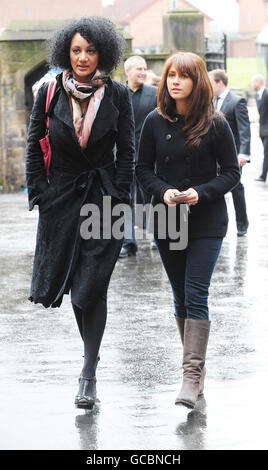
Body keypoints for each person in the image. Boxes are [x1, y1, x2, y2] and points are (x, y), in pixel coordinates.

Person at [26, 16, 135, 409]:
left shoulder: (118, 95)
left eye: (90, 50)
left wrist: (120, 194)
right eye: (76, 50)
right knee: (75, 287)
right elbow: (34, 138)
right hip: (61, 200)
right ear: (65, 54)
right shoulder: (49, 91)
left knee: (94, 282)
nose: (83, 57)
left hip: (103, 199)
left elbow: (128, 149)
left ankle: (88, 371)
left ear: (102, 52)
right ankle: (91, 357)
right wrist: (38, 191)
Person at [136, 52, 240, 409]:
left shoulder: (216, 123)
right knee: (179, 295)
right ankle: (197, 372)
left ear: (198, 81)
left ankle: (190, 377)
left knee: (196, 293)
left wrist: (202, 192)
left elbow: (231, 172)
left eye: (184, 76)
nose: (175, 81)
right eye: (170, 76)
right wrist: (161, 191)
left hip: (207, 221)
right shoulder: (153, 120)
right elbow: (142, 169)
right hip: (167, 219)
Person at [119, 56, 157, 257]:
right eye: (138, 69)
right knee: (124, 200)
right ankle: (128, 243)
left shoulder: (155, 94)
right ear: (128, 71)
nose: (143, 72)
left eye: (145, 69)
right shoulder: (116, 93)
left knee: (152, 198)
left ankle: (158, 238)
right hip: (122, 158)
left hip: (148, 158)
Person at [209, 69, 250, 236]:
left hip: (233, 156)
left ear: (219, 82)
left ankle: (242, 224)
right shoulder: (209, 101)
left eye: (210, 82)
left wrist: (243, 154)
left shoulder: (236, 101)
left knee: (236, 188)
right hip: (213, 155)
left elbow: (244, 130)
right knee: (213, 188)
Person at [251, 74, 268, 182]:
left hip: (267, 129)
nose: (252, 84)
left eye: (253, 82)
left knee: (266, 153)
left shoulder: (266, 93)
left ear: (258, 82)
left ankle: (263, 176)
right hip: (263, 129)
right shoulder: (258, 95)